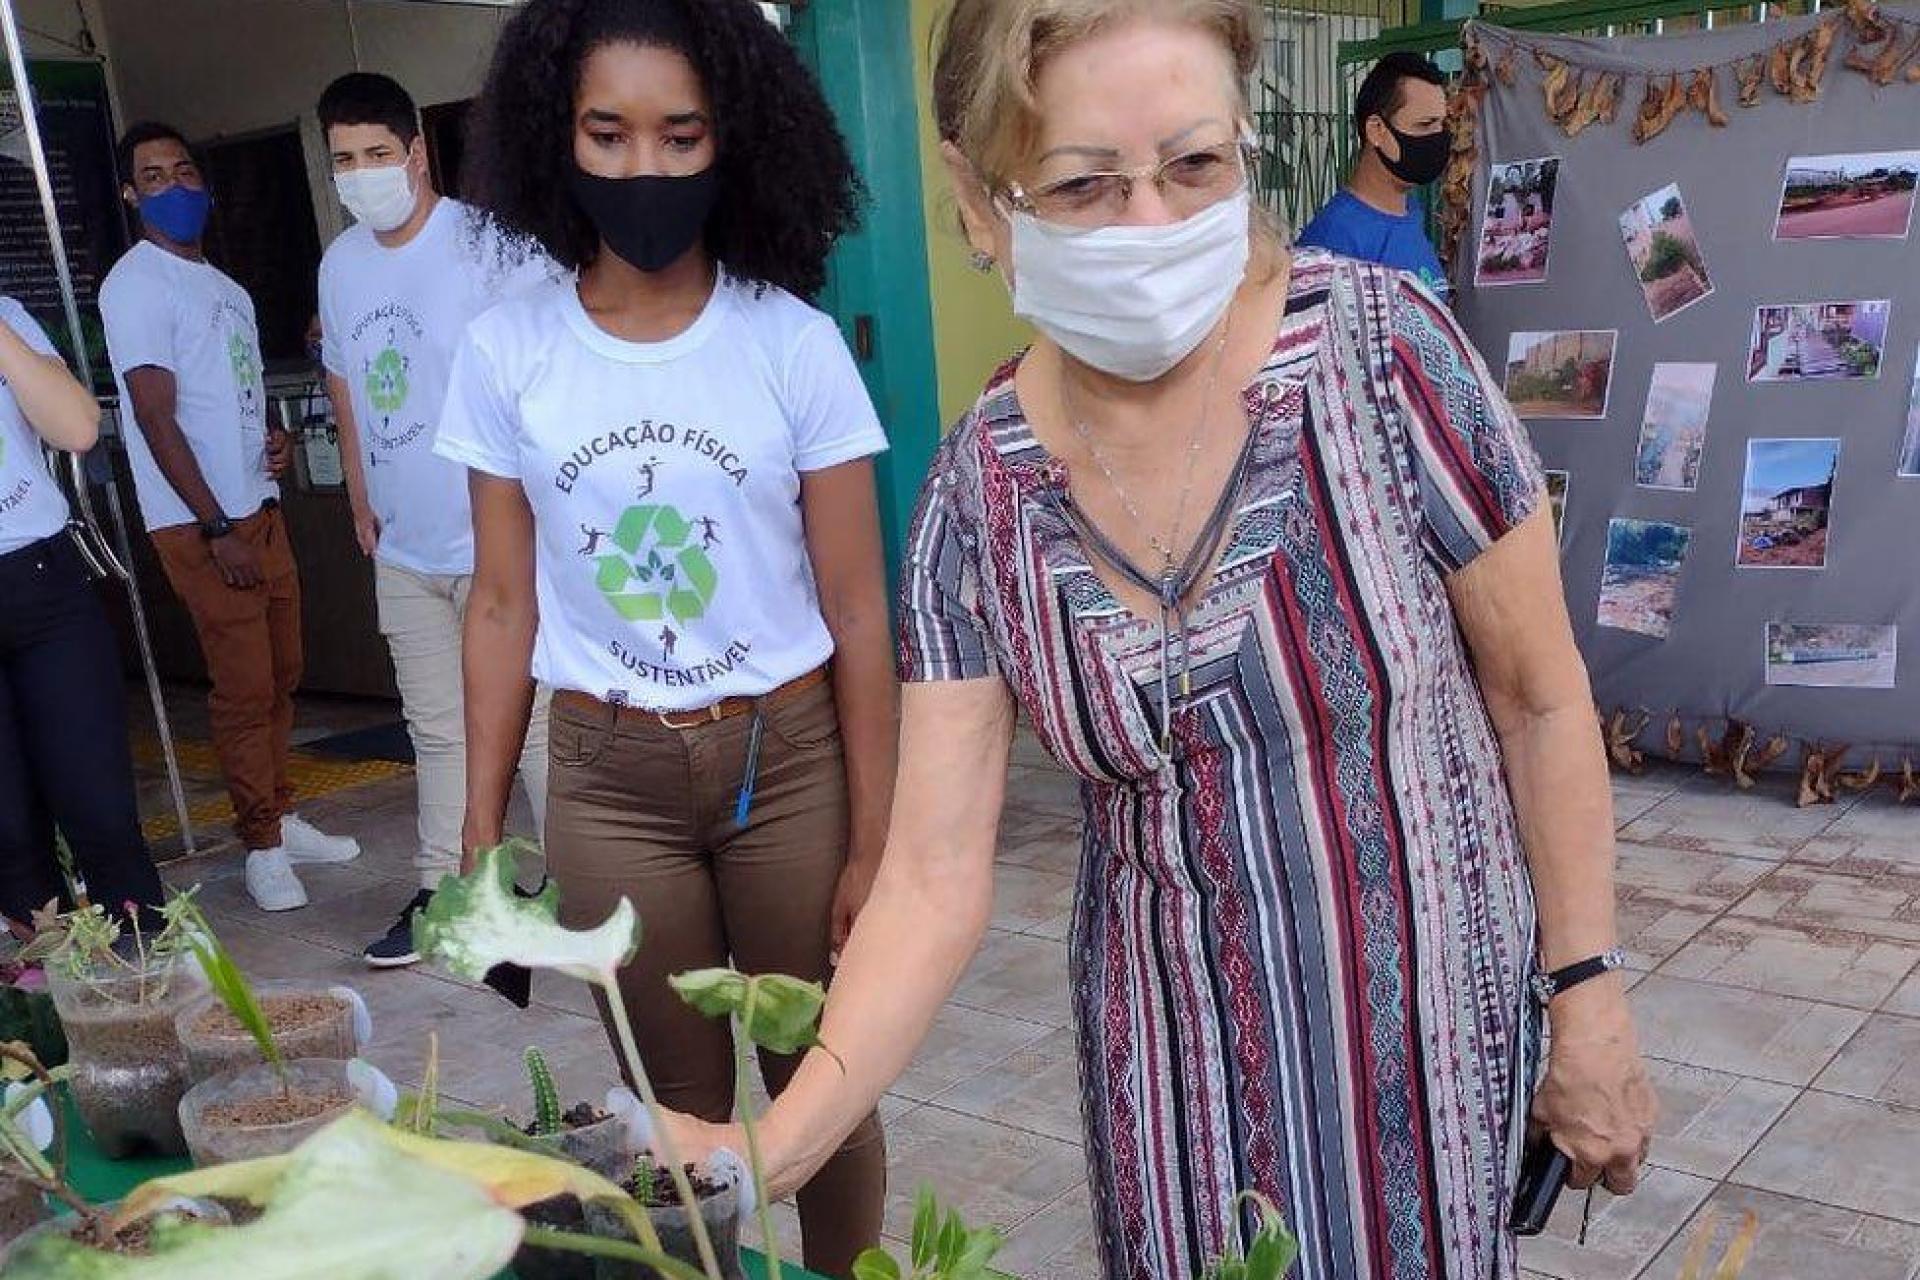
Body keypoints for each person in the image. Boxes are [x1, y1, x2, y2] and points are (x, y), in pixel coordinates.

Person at [660, 3, 1657, 1278]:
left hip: (1420, 1050)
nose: (1152, 224)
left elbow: (1539, 697)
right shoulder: (978, 495)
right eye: (1082, 185)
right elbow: (931, 875)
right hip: (1171, 1077)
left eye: (1194, 166)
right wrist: (778, 1144)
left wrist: (1590, 994)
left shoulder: (1387, 357)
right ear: (981, 202)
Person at [440, 0, 892, 1273]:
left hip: (790, 763)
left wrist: (876, 828)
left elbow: (861, 607)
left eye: (680, 135)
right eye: (609, 131)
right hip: (604, 777)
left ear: (730, 141)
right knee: (676, 1109)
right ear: (554, 138)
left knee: (822, 1082)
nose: (644, 167)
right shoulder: (506, 351)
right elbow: (500, 602)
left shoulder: (790, 344)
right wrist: (482, 819)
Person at [315, 72, 556, 967]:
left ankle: (572, 884)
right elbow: (346, 376)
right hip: (406, 546)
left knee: (534, 724)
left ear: (416, 152)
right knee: (438, 728)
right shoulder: (340, 264)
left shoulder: (489, 245)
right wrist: (356, 485)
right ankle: (443, 893)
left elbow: (552, 357)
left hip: (501, 541)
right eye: (345, 159)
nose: (363, 173)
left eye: (378, 153)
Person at [100, 122, 359, 913]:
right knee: (245, 689)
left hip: (256, 506)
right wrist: (216, 528)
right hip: (202, 525)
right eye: (154, 177)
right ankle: (261, 847)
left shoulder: (223, 286)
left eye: (185, 171)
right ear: (129, 194)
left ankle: (276, 813)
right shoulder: (137, 284)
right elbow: (154, 415)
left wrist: (269, 444)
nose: (175, 188)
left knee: (282, 675)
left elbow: (228, 399)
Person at [0, 296, 166, 929]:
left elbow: (76, 428)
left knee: (100, 810)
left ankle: (151, 976)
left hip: (44, 586)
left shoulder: (9, 315)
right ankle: (55, 1002)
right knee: (10, 835)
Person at [1296, 51, 1452, 297]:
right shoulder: (1334, 240)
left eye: (1442, 124)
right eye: (1424, 125)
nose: (1438, 137)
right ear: (1376, 130)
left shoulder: (1411, 214)